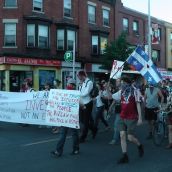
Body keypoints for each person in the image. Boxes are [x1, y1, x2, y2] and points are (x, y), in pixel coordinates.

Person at [116, 77, 144, 164]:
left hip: (131, 117)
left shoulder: (135, 91)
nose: (122, 84)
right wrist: (108, 88)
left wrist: (140, 118)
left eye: (123, 82)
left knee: (130, 137)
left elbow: (138, 104)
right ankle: (125, 156)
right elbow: (110, 97)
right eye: (121, 82)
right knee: (122, 135)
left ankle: (139, 145)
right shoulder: (121, 91)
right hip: (122, 116)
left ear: (127, 83)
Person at [51, 79, 80, 157]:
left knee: (74, 133)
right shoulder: (65, 92)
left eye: (70, 84)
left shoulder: (76, 94)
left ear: (73, 86)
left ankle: (76, 149)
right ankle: (58, 151)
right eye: (68, 84)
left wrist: (82, 106)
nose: (68, 85)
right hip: (65, 117)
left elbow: (80, 103)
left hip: (73, 117)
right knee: (63, 134)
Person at [77, 70, 96, 143]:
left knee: (85, 121)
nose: (78, 78)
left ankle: (83, 137)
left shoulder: (89, 82)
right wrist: (80, 86)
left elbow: (85, 93)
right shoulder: (82, 83)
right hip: (82, 103)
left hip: (88, 103)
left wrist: (78, 93)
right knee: (81, 119)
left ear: (82, 75)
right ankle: (94, 129)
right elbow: (80, 92)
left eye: (79, 76)